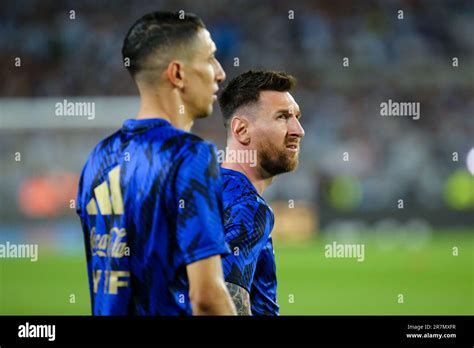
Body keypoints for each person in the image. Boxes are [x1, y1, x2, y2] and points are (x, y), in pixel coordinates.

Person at [76, 11, 236, 315]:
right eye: (211, 58)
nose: (220, 72)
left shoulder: (98, 158)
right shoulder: (189, 156)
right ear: (177, 74)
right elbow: (206, 296)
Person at [218, 70, 305, 315]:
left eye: (296, 117)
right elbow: (220, 303)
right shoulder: (246, 205)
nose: (298, 130)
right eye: (282, 117)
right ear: (242, 130)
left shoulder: (201, 189)